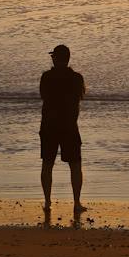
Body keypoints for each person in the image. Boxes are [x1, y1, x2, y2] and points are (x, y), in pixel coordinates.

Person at [39, 44, 86, 214]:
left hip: (49, 125)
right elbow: (78, 100)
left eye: (53, 56)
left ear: (56, 58)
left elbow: (44, 96)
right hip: (69, 125)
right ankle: (77, 203)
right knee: (75, 165)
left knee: (47, 164)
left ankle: (47, 201)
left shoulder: (46, 77)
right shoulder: (76, 79)